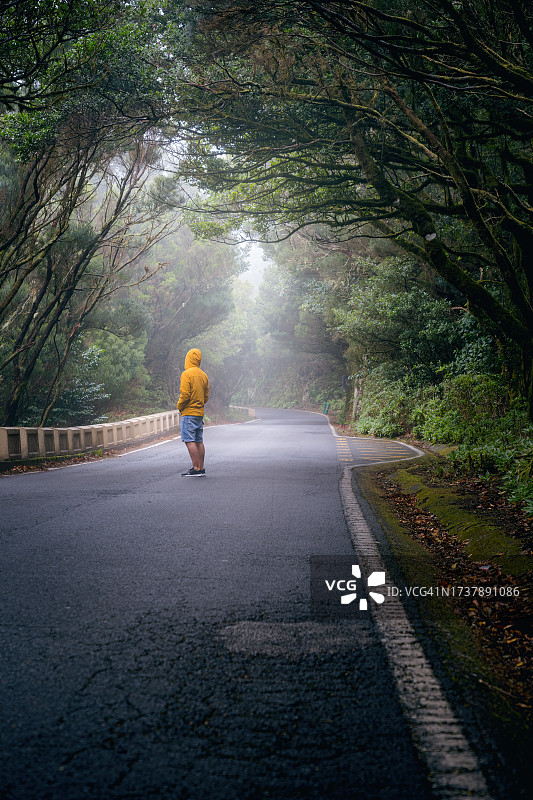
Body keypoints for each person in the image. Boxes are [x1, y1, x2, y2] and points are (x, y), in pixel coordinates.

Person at [177, 348, 209, 477]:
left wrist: (180, 406)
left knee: (189, 440)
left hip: (188, 413)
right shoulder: (203, 375)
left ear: (188, 359)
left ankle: (195, 468)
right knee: (198, 441)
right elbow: (206, 396)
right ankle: (201, 467)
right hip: (199, 413)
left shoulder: (187, 374)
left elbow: (185, 394)